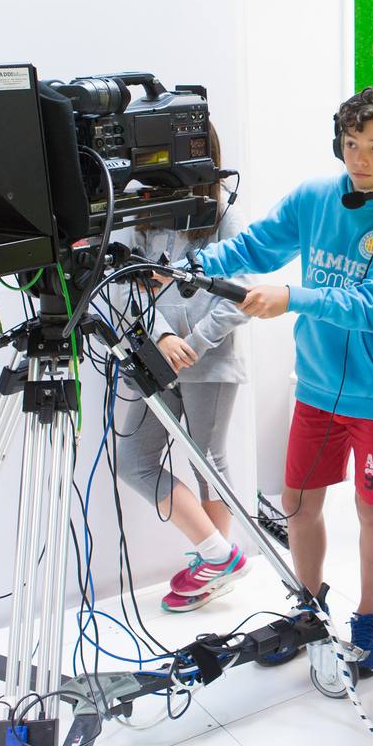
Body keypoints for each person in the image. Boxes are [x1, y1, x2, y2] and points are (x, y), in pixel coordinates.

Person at [189, 86, 373, 674]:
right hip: (316, 387)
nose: (360, 158)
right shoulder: (316, 197)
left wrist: (292, 297)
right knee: (297, 504)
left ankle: (368, 618)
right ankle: (309, 607)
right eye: (351, 144)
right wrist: (190, 269)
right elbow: (256, 245)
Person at [112, 130, 253, 612]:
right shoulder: (139, 217)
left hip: (207, 363)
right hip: (152, 356)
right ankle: (221, 554)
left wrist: (191, 342)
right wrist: (162, 334)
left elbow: (242, 294)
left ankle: (213, 565)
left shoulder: (222, 218)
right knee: (133, 461)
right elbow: (121, 284)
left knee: (206, 460)